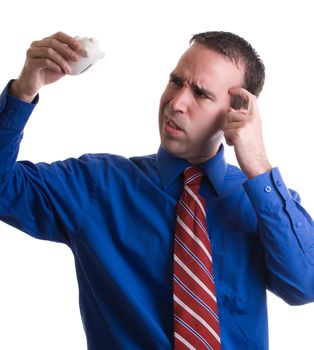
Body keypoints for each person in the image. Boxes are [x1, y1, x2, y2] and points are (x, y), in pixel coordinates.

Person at [0, 31, 313, 350]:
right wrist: (23, 92)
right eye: (176, 81)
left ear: (235, 113)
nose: (177, 103)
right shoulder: (98, 186)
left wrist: (258, 165)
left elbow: (305, 285)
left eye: (201, 94)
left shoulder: (263, 202)